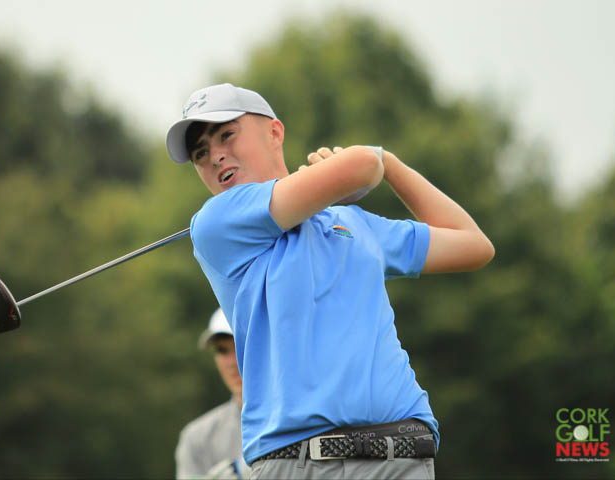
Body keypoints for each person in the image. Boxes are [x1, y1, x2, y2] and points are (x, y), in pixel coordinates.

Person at [166, 83, 495, 479]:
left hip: (402, 453)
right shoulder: (216, 222)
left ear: (274, 132)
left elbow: (473, 245)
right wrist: (353, 170)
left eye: (226, 134)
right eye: (200, 153)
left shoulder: (350, 222)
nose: (215, 155)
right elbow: (361, 165)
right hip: (298, 462)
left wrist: (390, 164)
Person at [175, 307, 250, 479]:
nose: (232, 362)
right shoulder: (197, 438)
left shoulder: (300, 421)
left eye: (241, 346)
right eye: (222, 350)